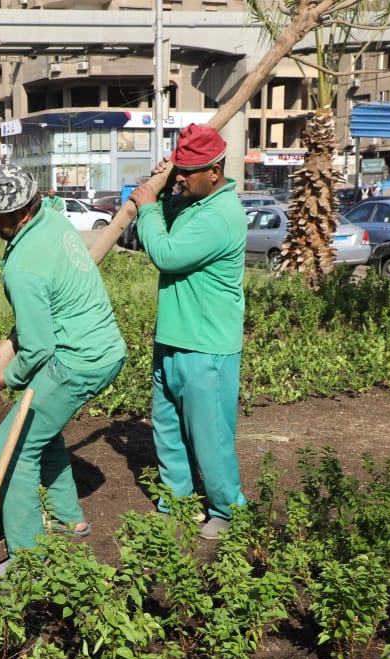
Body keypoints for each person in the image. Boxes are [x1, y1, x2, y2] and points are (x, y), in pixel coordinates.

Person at [0, 164, 126, 554]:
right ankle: (67, 517)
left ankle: (26, 555)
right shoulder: (53, 221)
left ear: (23, 212)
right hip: (105, 348)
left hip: (76, 360)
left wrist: (8, 377)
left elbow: (40, 347)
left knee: (11, 447)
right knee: (41, 430)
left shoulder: (22, 268)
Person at [128, 123, 248, 540]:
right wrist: (161, 189)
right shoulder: (195, 202)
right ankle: (178, 502)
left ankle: (228, 511)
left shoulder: (220, 216)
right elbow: (159, 224)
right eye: (178, 169)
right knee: (168, 429)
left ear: (214, 171)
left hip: (207, 346)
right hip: (174, 339)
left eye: (188, 172)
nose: (181, 178)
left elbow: (166, 253)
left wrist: (145, 207)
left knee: (211, 436)